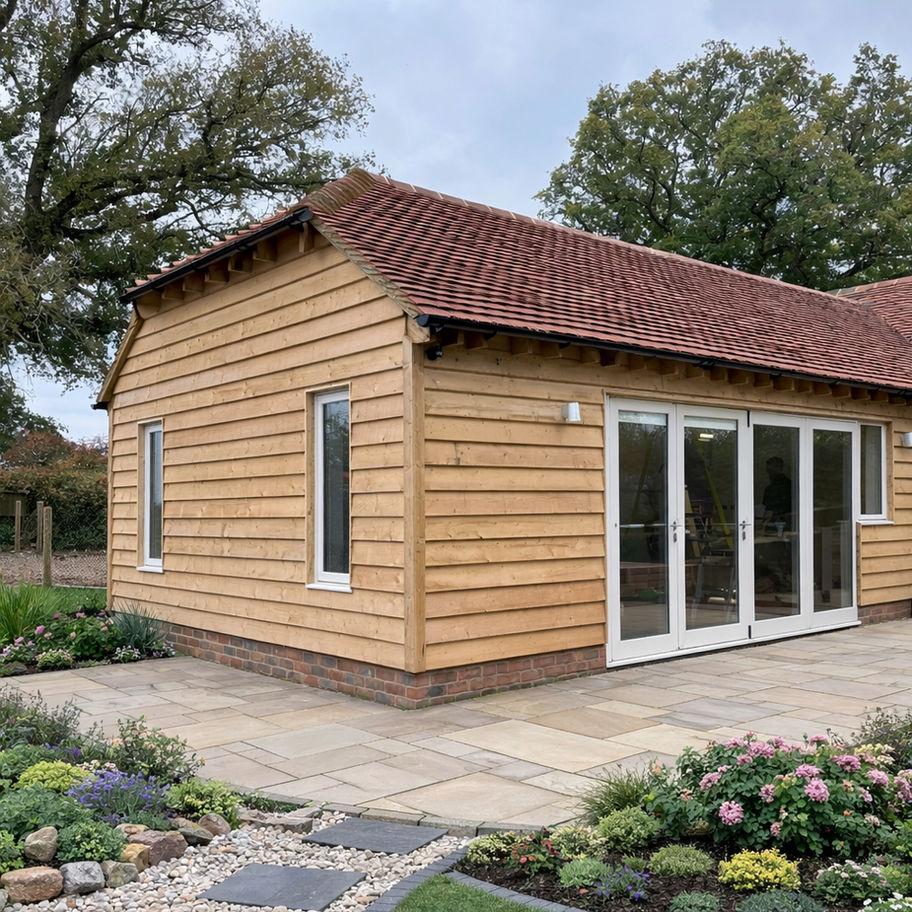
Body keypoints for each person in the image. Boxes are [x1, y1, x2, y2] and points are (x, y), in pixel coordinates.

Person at [761, 456, 792, 533]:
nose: (769, 474)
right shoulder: (791, 485)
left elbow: (769, 511)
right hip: (783, 524)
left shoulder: (774, 488)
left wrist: (763, 525)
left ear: (779, 469)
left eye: (770, 471)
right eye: (768, 471)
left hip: (781, 524)